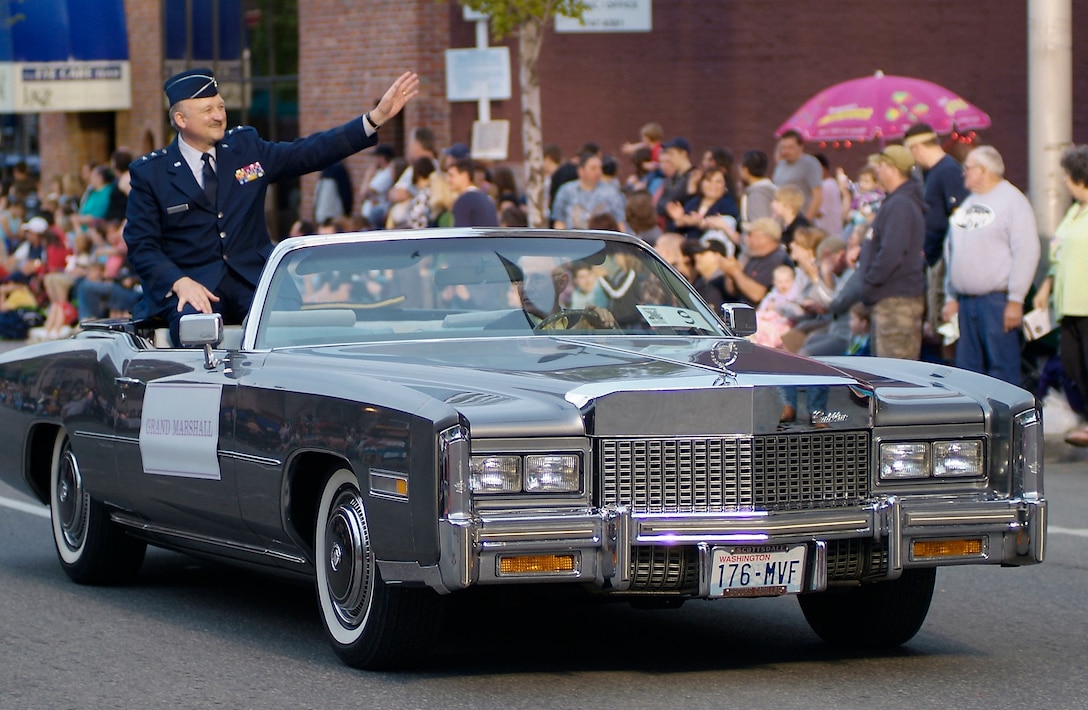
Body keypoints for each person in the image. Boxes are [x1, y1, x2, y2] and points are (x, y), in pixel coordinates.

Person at [124, 67, 419, 344]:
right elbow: (142, 245)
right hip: (195, 288)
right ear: (181, 120)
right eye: (207, 110)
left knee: (288, 331)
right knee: (195, 335)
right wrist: (178, 282)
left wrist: (373, 119)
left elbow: (308, 152)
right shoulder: (152, 173)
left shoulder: (245, 148)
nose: (218, 116)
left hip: (255, 281)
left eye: (221, 107)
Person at [940, 146, 1039, 384]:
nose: (964, 173)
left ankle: (1004, 420)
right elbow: (951, 251)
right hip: (966, 302)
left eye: (968, 168)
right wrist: (951, 296)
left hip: (997, 301)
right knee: (967, 373)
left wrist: (1016, 299)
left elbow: (1026, 250)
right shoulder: (967, 203)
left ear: (983, 170)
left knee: (1002, 370)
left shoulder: (1012, 200)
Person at [1035, 145, 1088, 446]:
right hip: (1068, 305)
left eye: (1068, 177)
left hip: (1086, 304)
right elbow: (1058, 255)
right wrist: (1046, 286)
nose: (1065, 183)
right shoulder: (1073, 211)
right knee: (1072, 363)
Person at [858, 145, 926, 359]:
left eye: (880, 166)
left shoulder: (900, 204)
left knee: (895, 380)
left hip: (896, 304)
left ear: (891, 169)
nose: (877, 171)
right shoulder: (897, 201)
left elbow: (892, 253)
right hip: (890, 300)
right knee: (886, 377)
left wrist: (870, 282)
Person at [905, 122, 969, 343]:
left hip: (944, 257)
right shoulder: (931, 173)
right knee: (937, 322)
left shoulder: (948, 171)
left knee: (945, 328)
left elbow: (958, 217)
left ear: (917, 149)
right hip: (934, 257)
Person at [550, 151, 627, 231]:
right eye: (593, 168)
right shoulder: (566, 191)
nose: (598, 172)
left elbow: (620, 223)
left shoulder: (612, 192)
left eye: (600, 168)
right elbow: (559, 222)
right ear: (581, 171)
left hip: (602, 241)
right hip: (573, 239)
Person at [665, 167, 738, 242]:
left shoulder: (728, 204)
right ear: (701, 183)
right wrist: (679, 220)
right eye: (708, 180)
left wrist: (697, 222)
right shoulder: (693, 201)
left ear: (725, 186)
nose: (713, 185)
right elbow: (675, 228)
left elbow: (719, 226)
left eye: (718, 182)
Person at [772, 129, 822, 222]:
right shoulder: (780, 165)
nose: (786, 151)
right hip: (781, 222)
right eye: (783, 147)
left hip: (799, 220)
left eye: (790, 147)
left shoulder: (809, 164)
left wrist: (806, 222)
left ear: (800, 147)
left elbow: (817, 196)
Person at [447, 157, 499, 227]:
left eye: (451, 176)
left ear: (464, 175)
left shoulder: (464, 201)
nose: (448, 180)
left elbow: (460, 234)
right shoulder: (486, 199)